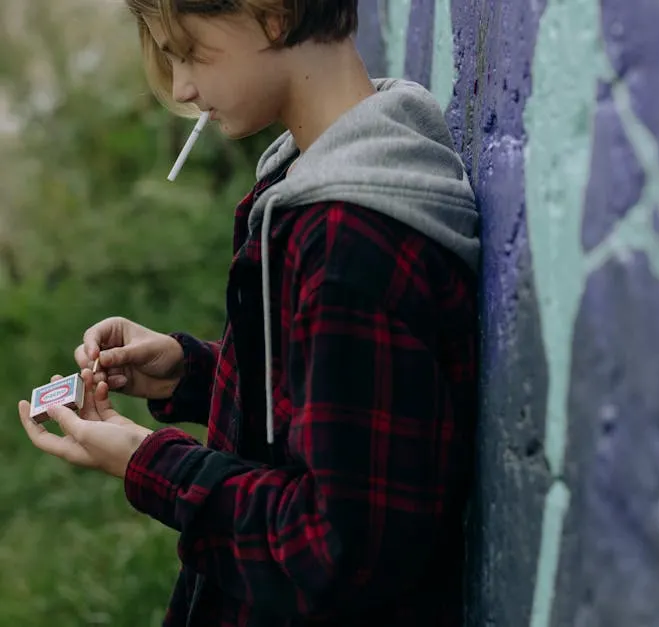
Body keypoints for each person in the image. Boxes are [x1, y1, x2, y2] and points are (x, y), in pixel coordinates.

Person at [17, 1, 479, 626]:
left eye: (187, 51)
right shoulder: (309, 180)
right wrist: (192, 372)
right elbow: (332, 406)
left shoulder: (350, 236)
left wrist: (148, 461)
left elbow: (331, 551)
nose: (180, 86)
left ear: (271, 13)